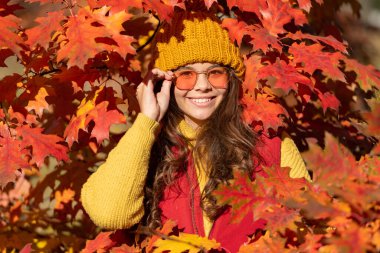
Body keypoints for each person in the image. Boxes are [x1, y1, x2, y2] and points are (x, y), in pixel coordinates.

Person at [81, 11, 311, 252]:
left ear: (230, 79)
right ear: (165, 82)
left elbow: (309, 231)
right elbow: (110, 215)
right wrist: (147, 121)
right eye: (186, 75)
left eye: (215, 73)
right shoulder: (142, 148)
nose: (202, 86)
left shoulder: (270, 147)